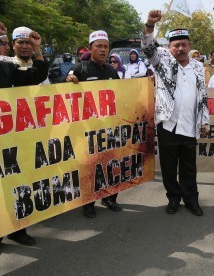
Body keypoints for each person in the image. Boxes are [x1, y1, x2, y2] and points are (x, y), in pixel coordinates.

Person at [0, 24, 48, 259]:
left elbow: (37, 75)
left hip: (10, 143)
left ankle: (18, 230)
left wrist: (38, 50)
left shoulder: (6, 68)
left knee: (17, 186)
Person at [142, 10, 210, 216]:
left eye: (184, 45)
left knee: (189, 167)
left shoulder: (198, 67)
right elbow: (147, 47)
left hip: (190, 125)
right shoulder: (161, 62)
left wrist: (205, 121)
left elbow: (202, 95)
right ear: (169, 47)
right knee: (169, 167)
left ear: (189, 47)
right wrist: (150, 25)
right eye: (176, 45)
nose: (180, 48)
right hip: (168, 124)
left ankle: (191, 200)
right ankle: (173, 198)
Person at [65, 30, 123, 218]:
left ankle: (109, 198)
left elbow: (121, 96)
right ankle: (89, 203)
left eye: (106, 46)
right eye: (99, 46)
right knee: (90, 167)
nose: (103, 50)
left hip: (108, 129)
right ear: (90, 48)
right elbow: (62, 92)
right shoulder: (80, 69)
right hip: (87, 131)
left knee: (110, 163)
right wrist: (67, 80)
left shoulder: (111, 71)